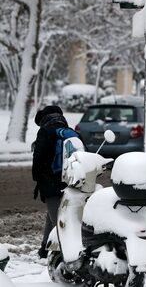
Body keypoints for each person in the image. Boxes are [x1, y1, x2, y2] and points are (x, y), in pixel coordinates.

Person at [32, 106, 76, 258]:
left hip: (51, 182)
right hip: (71, 179)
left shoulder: (45, 132)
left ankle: (67, 256)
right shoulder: (69, 131)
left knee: (58, 219)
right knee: (53, 215)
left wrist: (38, 178)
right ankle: (45, 248)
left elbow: (38, 158)